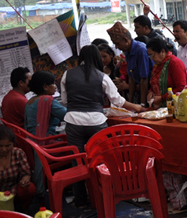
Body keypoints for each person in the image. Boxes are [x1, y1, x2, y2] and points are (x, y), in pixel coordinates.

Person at [60, 45, 143, 208]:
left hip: (73, 121)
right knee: (102, 160)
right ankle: (106, 194)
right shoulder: (102, 76)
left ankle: (81, 200)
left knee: (77, 161)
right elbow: (118, 101)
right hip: (96, 123)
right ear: (97, 58)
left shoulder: (67, 74)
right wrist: (137, 107)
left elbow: (64, 101)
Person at [107, 22, 152, 105]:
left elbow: (144, 79)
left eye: (117, 43)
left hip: (149, 90)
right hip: (139, 88)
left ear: (125, 40)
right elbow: (131, 78)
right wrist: (130, 103)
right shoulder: (127, 51)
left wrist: (143, 104)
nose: (116, 47)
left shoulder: (140, 50)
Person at [146, 36, 187, 108]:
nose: (151, 59)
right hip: (160, 107)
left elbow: (181, 88)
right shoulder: (157, 65)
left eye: (153, 55)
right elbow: (155, 83)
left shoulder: (175, 63)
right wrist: (151, 92)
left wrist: (162, 98)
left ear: (163, 51)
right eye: (150, 56)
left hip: (177, 107)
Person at [25, 71, 66, 138]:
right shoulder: (47, 100)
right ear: (45, 87)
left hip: (33, 140)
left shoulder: (30, 101)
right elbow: (66, 115)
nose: (55, 87)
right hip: (47, 140)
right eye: (53, 84)